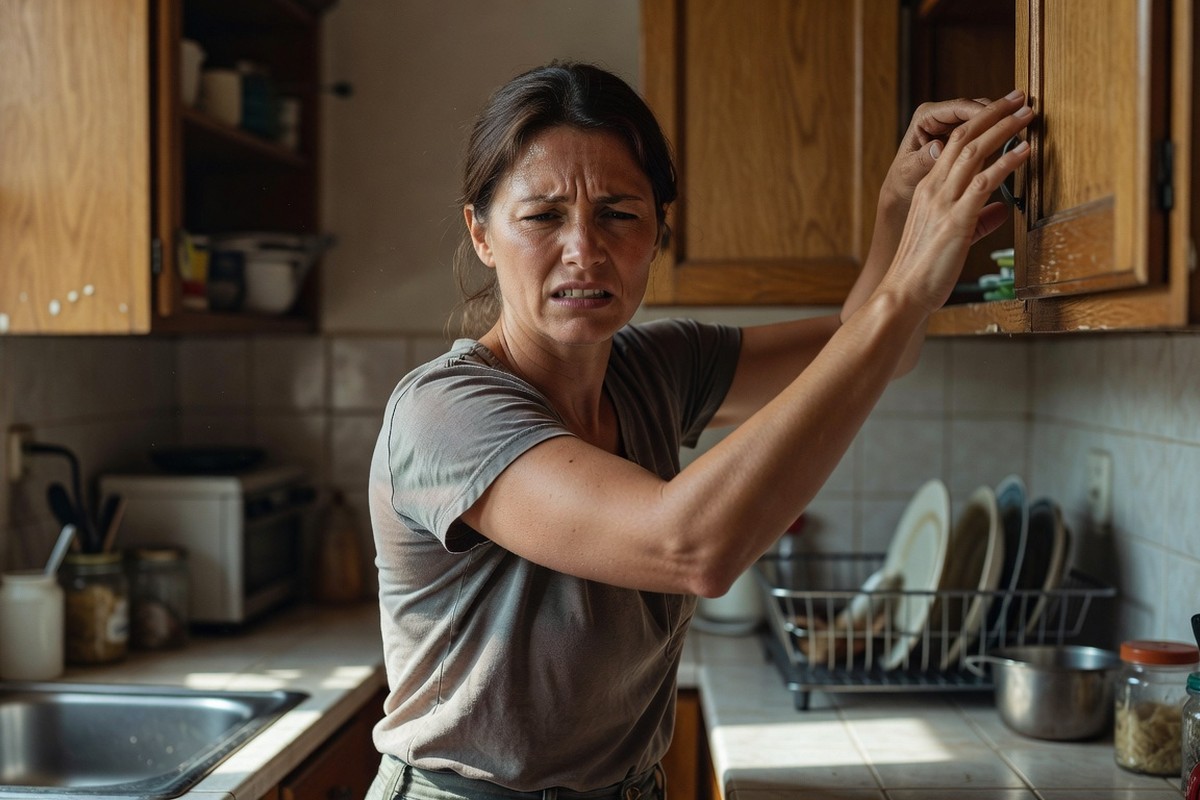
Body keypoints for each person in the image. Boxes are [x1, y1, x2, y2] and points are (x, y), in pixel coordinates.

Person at [366, 61, 1033, 799]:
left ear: (658, 232)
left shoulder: (657, 368)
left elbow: (878, 348)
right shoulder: (444, 411)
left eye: (619, 214)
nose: (583, 249)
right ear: (482, 233)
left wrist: (897, 211)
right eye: (543, 216)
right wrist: (908, 284)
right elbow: (689, 548)